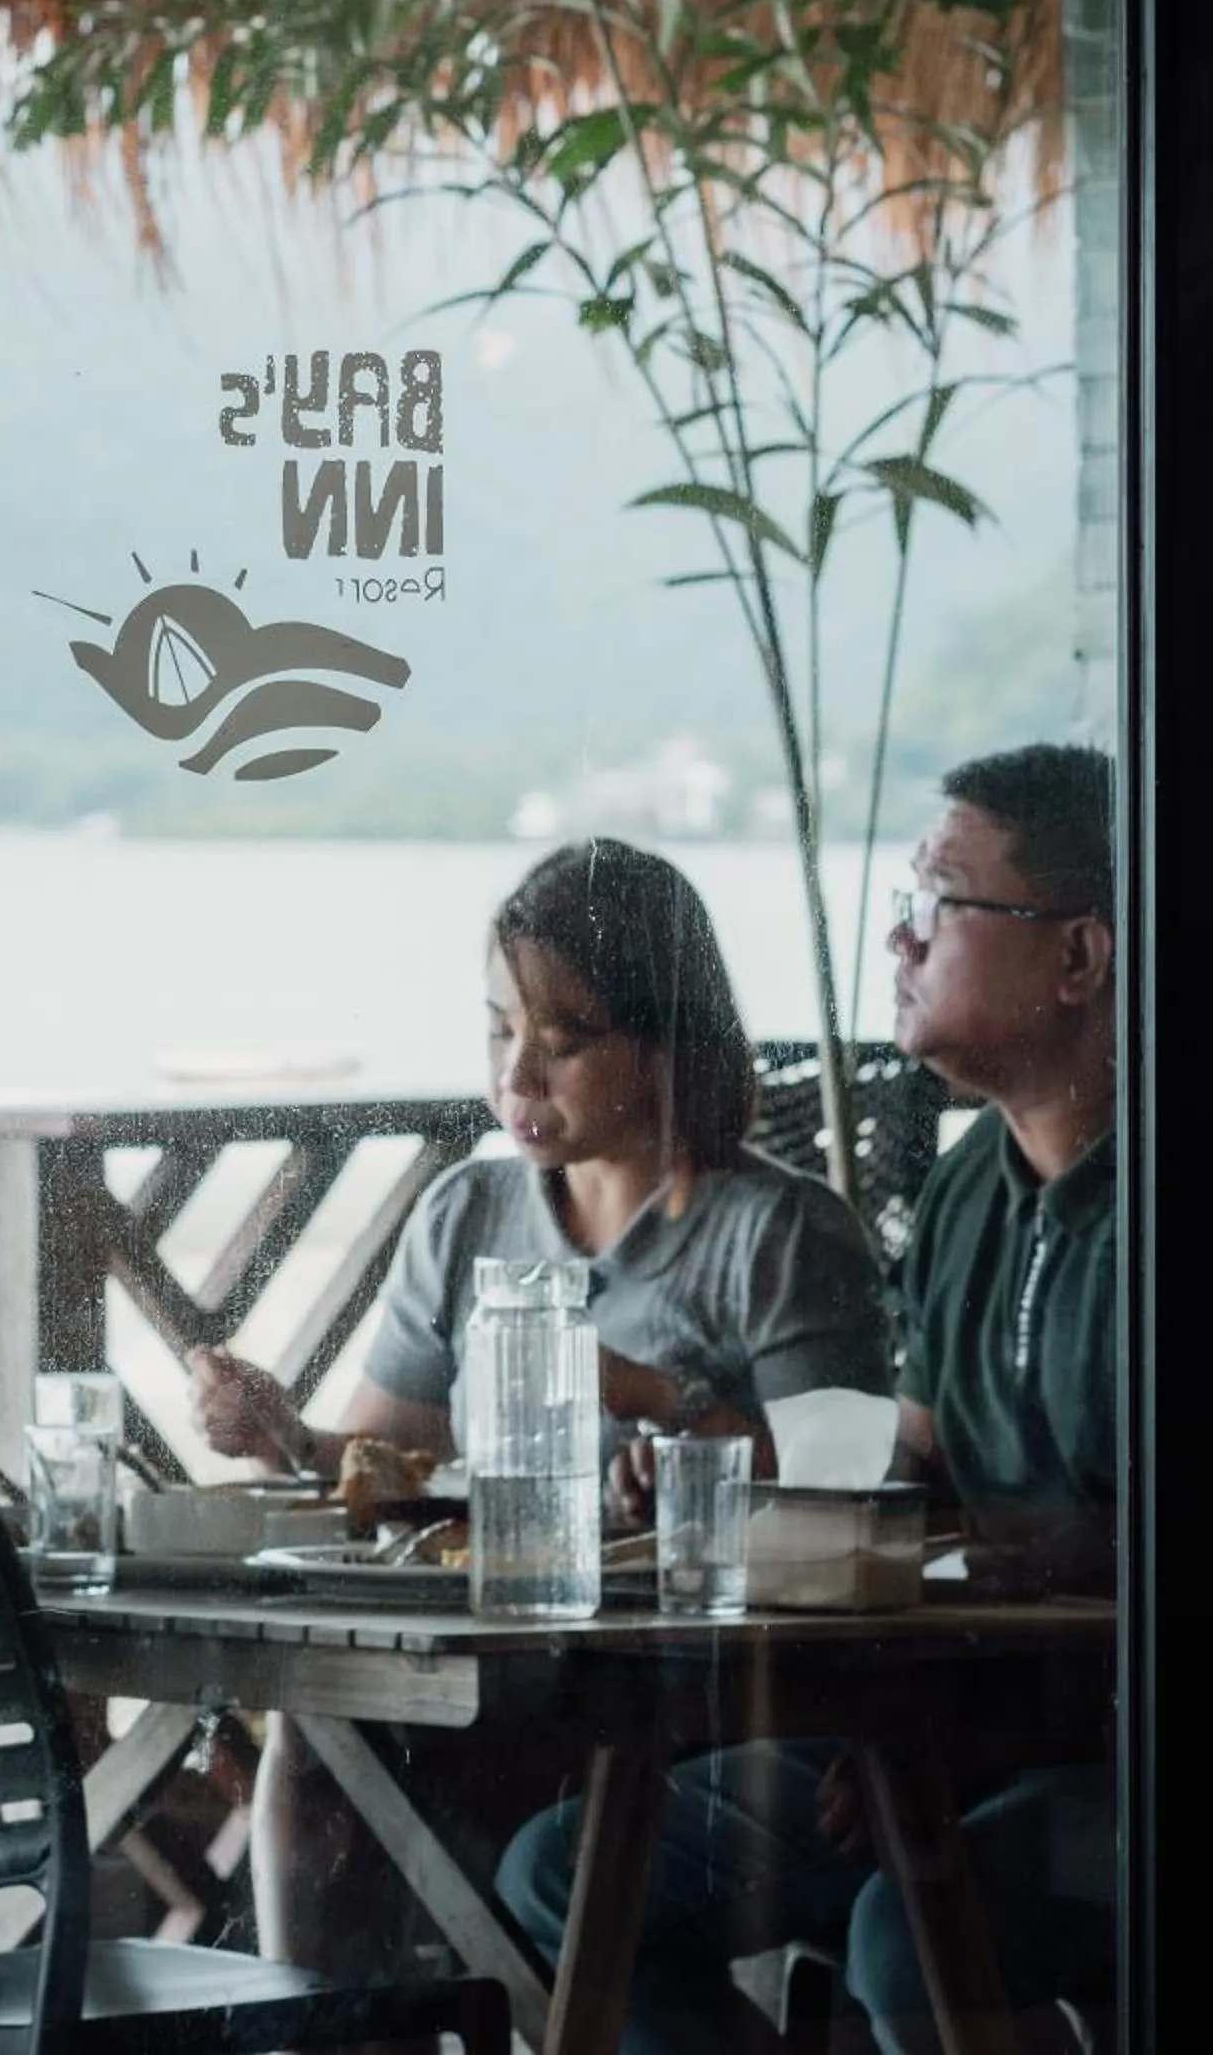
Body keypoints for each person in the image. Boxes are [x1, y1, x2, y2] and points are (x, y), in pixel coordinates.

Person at [495, 745, 1118, 2055]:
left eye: (944, 901)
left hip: (1112, 1747)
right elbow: (932, 1447)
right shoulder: (966, 1193)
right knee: (565, 1867)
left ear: (1081, 960)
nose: (899, 935)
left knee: (910, 1927)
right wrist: (724, 1454)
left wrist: (963, 1727)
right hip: (958, 1723)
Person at [188, 838, 894, 1975]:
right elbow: (392, 1463)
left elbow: (857, 1490)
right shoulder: (466, 1212)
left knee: (375, 1767)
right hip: (492, 1672)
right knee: (322, 1737)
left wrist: (666, 1406)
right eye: (497, 1030)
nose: (516, 1077)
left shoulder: (777, 1235)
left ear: (668, 1046)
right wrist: (283, 1435)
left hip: (683, 1702)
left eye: (561, 1042)